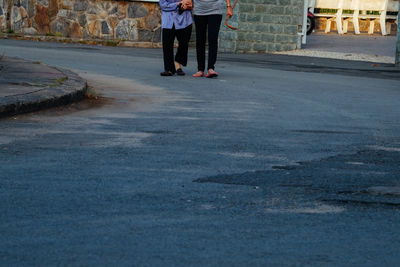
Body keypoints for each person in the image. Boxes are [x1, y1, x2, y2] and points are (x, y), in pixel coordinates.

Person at [192, 0, 233, 78]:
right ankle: (200, 69)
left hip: (215, 9)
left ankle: (211, 68)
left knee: (213, 39)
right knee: (200, 40)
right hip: (199, 10)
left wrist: (228, 6)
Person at [159, 0, 193, 76]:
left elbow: (191, 4)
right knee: (167, 45)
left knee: (184, 43)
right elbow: (163, 5)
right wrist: (178, 4)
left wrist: (187, 5)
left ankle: (177, 62)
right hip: (168, 20)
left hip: (185, 19)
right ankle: (169, 69)